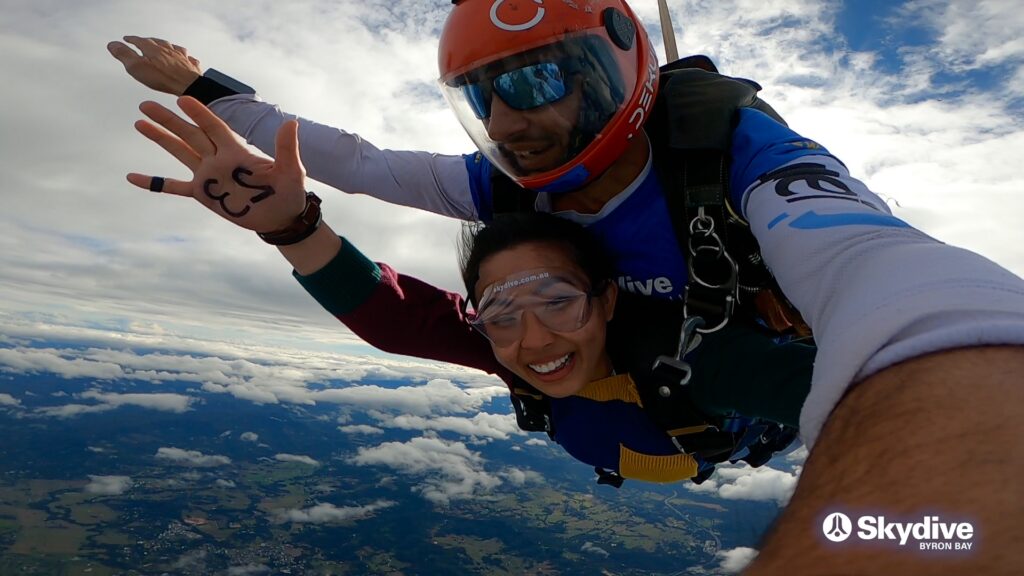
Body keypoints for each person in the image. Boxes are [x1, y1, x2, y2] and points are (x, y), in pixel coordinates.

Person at [110, 0, 1024, 571]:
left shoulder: (740, 158)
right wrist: (215, 98)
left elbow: (879, 265)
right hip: (648, 405)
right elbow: (359, 167)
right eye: (484, 97)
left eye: (538, 79)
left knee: (686, 354)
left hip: (723, 387)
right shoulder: (504, 197)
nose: (510, 119)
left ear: (610, 71)